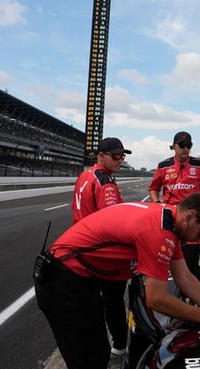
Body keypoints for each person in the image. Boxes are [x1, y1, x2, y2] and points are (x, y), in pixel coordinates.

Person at [35, 192, 200, 369]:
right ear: (190, 216)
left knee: (99, 353)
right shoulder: (160, 232)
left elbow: (185, 278)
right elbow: (156, 299)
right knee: (88, 361)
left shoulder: (169, 219)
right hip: (62, 280)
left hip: (78, 279)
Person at [70, 137, 131, 356]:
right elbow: (113, 222)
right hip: (103, 253)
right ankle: (120, 346)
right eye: (115, 155)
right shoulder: (105, 181)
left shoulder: (84, 176)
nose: (120, 160)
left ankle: (92, 347)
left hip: (82, 248)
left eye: (122, 155)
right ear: (101, 155)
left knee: (91, 303)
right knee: (113, 302)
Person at [149, 131, 200, 281]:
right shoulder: (163, 166)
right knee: (165, 261)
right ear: (174, 146)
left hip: (193, 222)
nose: (185, 148)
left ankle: (193, 299)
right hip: (169, 221)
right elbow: (153, 188)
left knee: (191, 263)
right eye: (182, 145)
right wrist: (157, 204)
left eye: (188, 145)